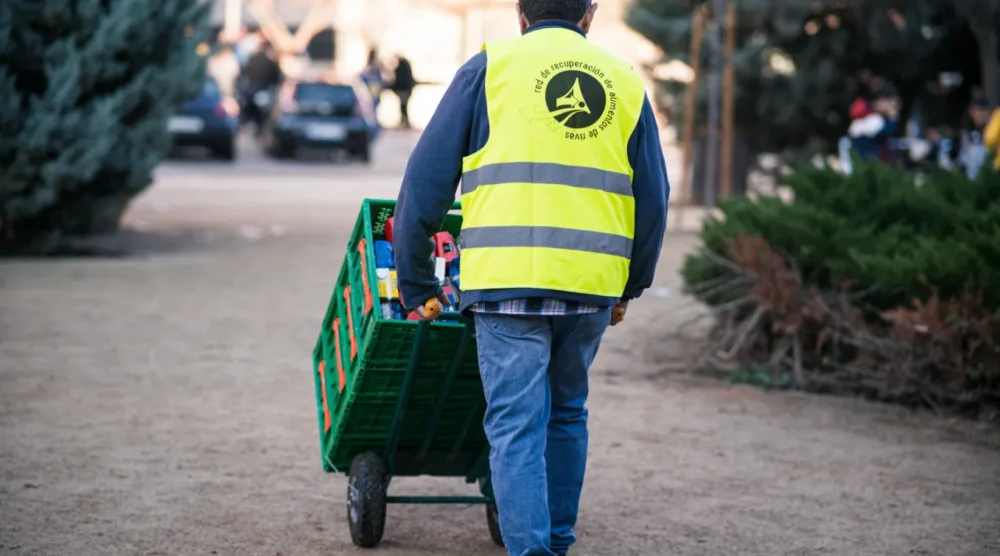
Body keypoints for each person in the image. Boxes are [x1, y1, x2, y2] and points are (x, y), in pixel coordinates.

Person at [393, 1, 669, 555]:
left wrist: (417, 283)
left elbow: (423, 186)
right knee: (566, 412)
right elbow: (653, 201)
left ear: (521, 15)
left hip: (506, 282)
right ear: (589, 15)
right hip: (591, 285)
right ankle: (556, 545)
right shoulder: (625, 83)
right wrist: (631, 286)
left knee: (516, 425)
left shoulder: (487, 70)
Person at [848, 80, 899, 161]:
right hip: (867, 160)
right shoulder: (874, 119)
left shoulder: (876, 117)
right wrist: (892, 117)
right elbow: (887, 130)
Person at [955, 90, 993, 178]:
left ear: (988, 112)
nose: (979, 114)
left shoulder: (994, 132)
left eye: (982, 110)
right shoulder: (968, 133)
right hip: (972, 182)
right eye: (976, 111)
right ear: (971, 113)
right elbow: (963, 159)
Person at [389, 55, 416, 129]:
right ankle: (404, 121)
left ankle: (405, 122)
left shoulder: (402, 67)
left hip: (404, 90)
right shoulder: (405, 66)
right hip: (405, 89)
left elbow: (401, 80)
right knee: (403, 106)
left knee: (403, 107)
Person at [360, 48, 386, 121]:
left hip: (374, 93)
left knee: (373, 109)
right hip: (370, 92)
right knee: (370, 109)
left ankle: (373, 122)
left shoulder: (375, 69)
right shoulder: (371, 70)